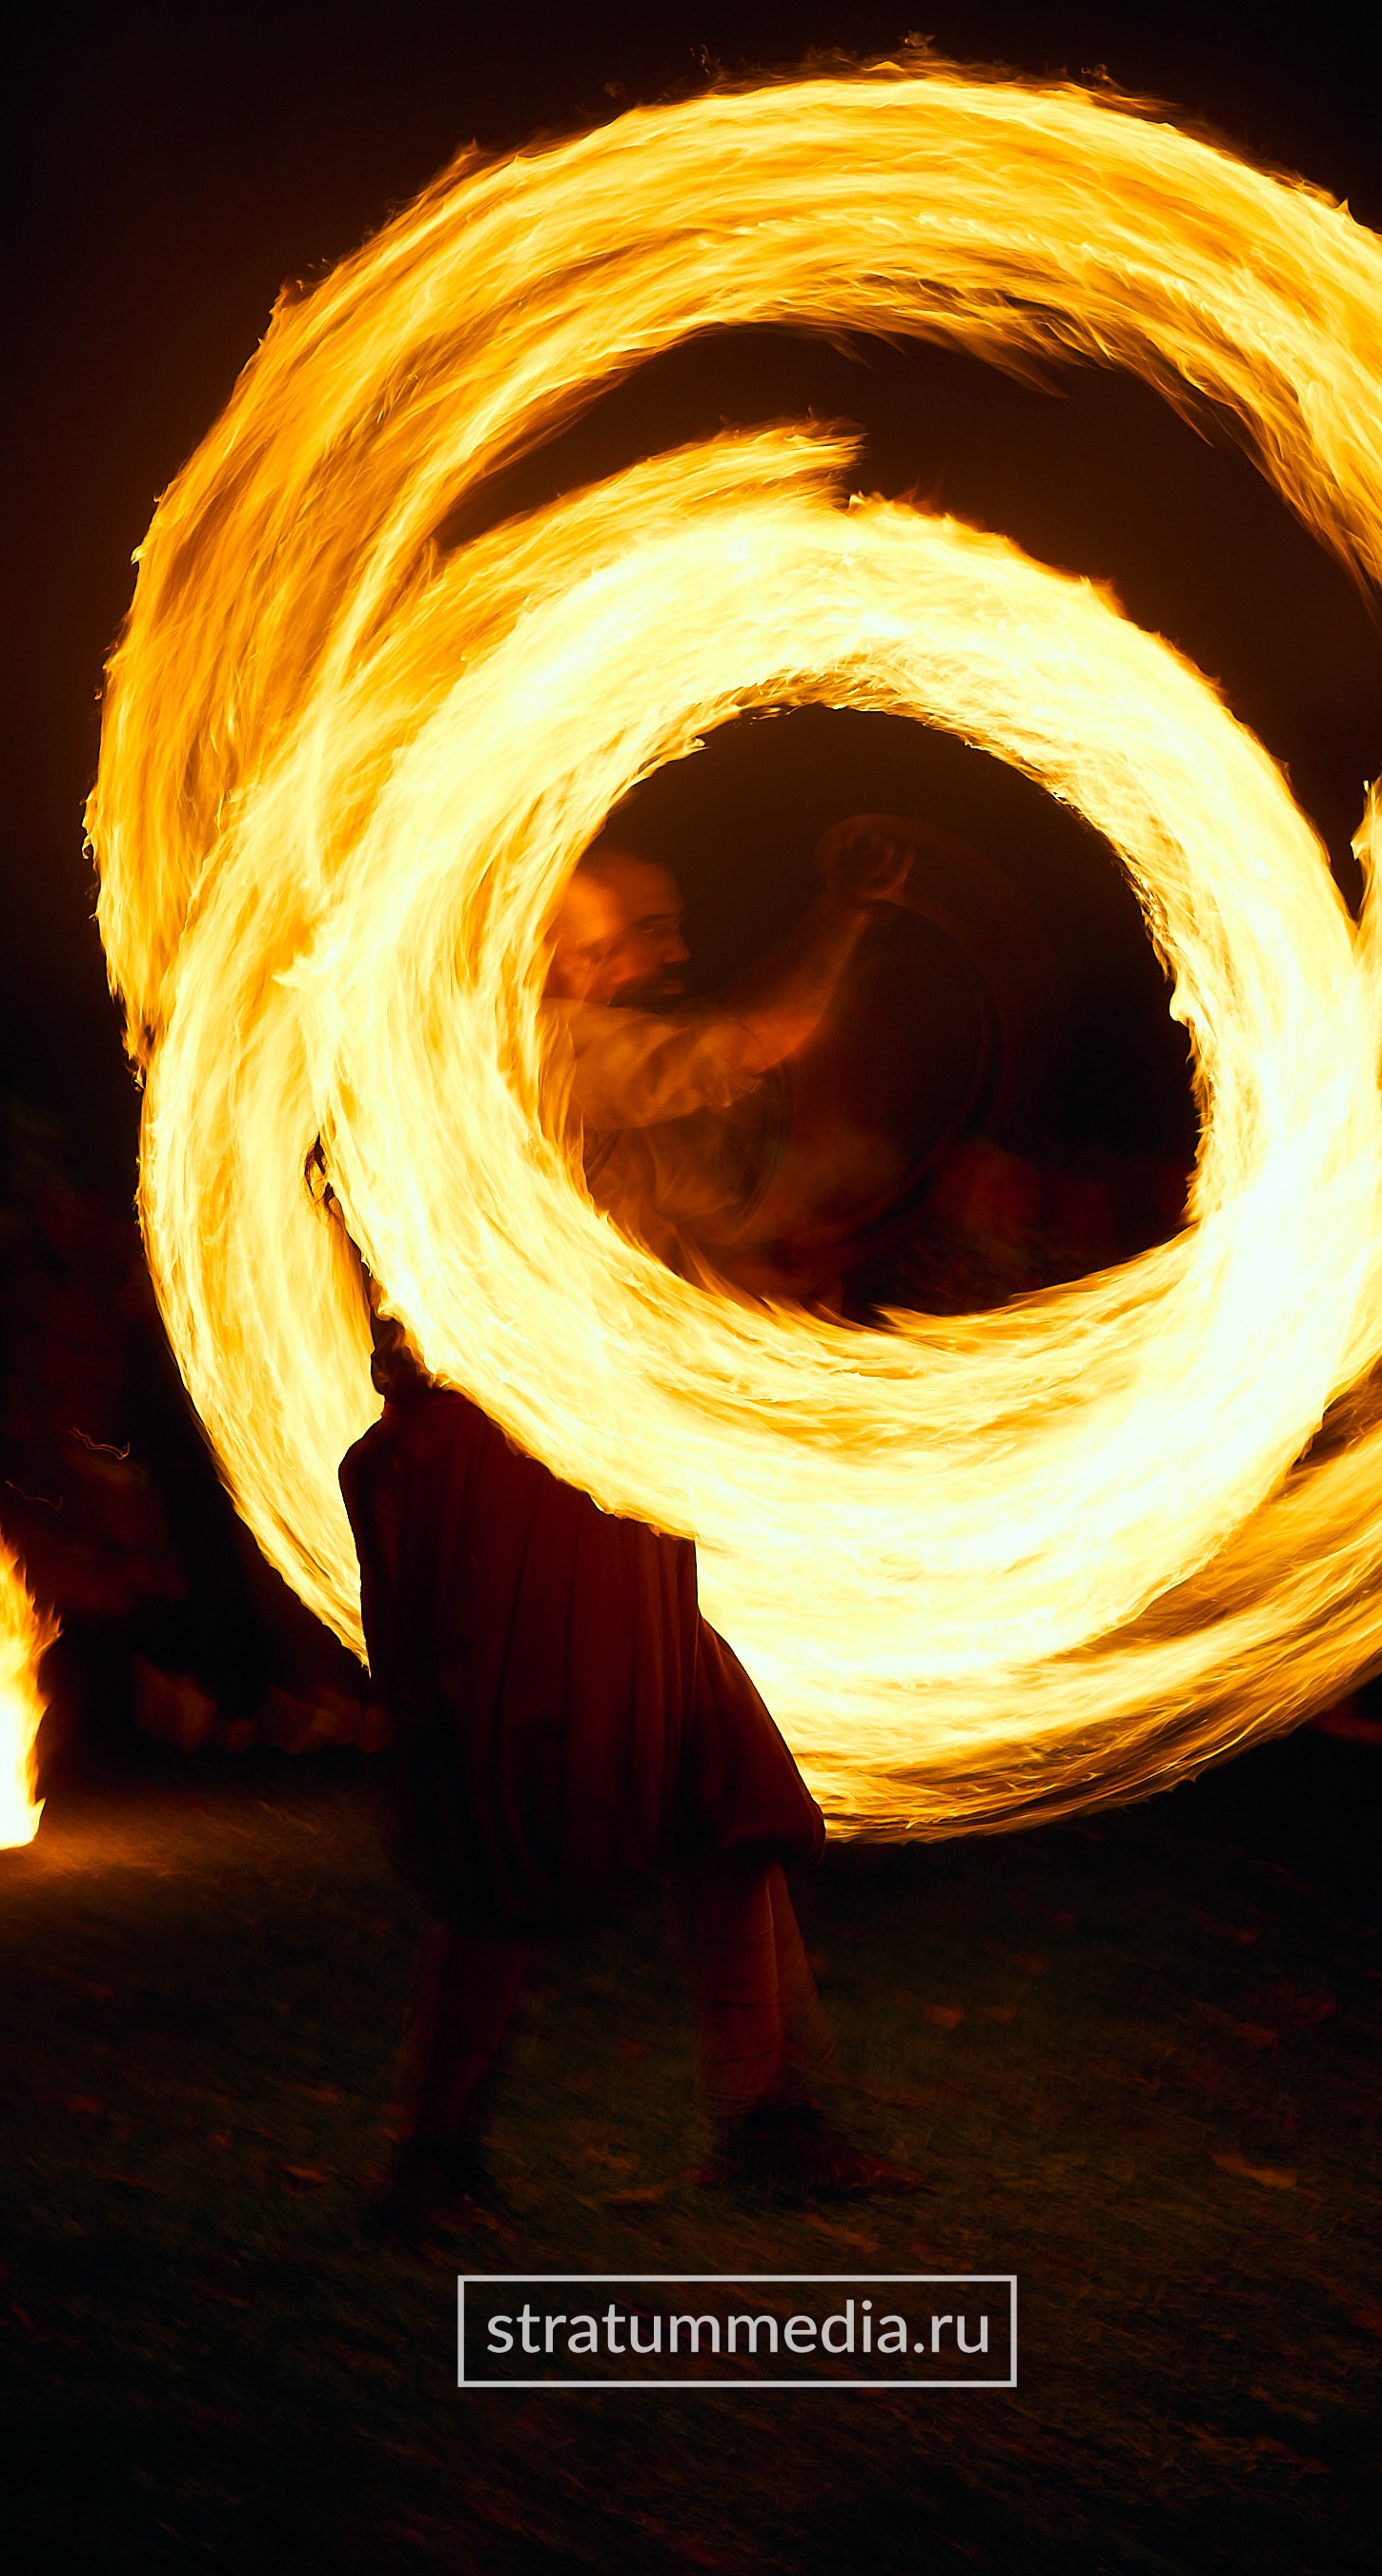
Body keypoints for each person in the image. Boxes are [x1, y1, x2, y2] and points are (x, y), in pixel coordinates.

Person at [340, 821, 916, 2233]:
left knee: (724, 1795)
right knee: (520, 1819)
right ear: (566, 950)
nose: (672, 952)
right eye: (646, 930)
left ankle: (771, 2116)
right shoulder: (525, 1049)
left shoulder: (533, 1074)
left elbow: (657, 1214)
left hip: (597, 1476)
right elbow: (755, 1037)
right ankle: (429, 2158)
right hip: (522, 1487)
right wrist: (843, 908)